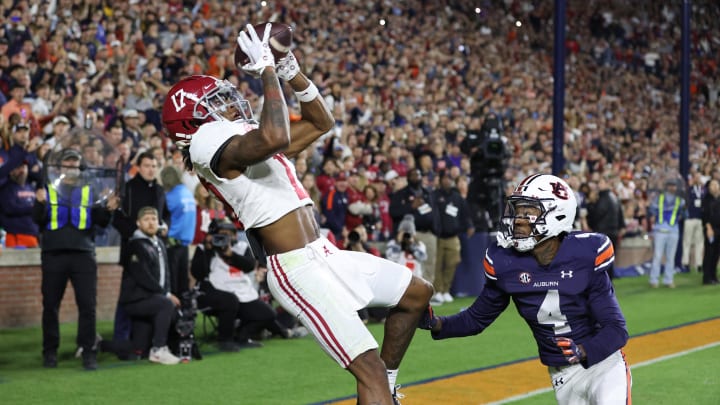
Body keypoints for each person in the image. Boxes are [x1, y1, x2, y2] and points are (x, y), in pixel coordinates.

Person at [161, 23, 433, 404]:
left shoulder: (239, 139)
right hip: (295, 269)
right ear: (192, 121)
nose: (227, 105)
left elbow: (322, 123)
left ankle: (386, 385)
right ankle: (379, 386)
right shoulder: (207, 145)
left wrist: (289, 69)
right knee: (366, 366)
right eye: (214, 103)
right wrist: (268, 71)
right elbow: (277, 137)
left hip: (324, 254)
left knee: (416, 293)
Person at [418, 174, 631, 405]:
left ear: (557, 214)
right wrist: (436, 323)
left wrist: (583, 349)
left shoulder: (586, 253)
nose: (518, 220)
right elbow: (476, 318)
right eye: (517, 212)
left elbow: (616, 329)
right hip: (562, 374)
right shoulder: (505, 261)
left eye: (528, 212)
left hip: (603, 364)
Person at [32, 148, 120, 370]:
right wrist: (39, 203)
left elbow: (100, 221)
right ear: (60, 167)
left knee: (88, 306)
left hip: (83, 254)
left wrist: (108, 209)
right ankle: (49, 352)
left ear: (80, 167)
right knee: (50, 305)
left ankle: (88, 351)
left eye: (74, 163)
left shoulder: (91, 190)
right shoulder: (48, 189)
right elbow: (37, 220)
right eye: (67, 163)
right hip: (54, 253)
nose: (70, 167)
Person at [191, 218, 301, 351]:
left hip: (240, 290)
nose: (224, 238)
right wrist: (208, 251)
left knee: (267, 313)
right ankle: (225, 340)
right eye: (220, 234)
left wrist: (231, 255)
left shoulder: (241, 247)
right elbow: (198, 274)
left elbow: (249, 266)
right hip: (213, 292)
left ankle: (242, 336)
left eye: (228, 234)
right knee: (230, 301)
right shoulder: (204, 249)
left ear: (235, 235)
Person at [111, 151, 171, 341]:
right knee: (129, 294)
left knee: (153, 292)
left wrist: (165, 225)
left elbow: (165, 214)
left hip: (156, 248)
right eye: (147, 166)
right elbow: (117, 219)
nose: (151, 169)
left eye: (154, 166)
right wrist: (136, 235)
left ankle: (146, 336)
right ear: (138, 167)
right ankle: (120, 336)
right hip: (133, 251)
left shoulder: (160, 190)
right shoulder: (128, 188)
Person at [118, 206, 181, 365]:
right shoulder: (134, 245)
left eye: (153, 219)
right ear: (138, 224)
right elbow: (142, 277)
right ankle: (159, 349)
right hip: (136, 300)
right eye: (146, 220)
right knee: (166, 305)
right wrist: (166, 294)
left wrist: (167, 291)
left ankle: (98, 344)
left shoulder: (158, 243)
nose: (151, 223)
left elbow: (165, 272)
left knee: (138, 348)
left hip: (151, 298)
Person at [389, 167, 440, 300]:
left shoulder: (427, 193)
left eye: (418, 174)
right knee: (412, 264)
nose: (415, 177)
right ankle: (408, 294)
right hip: (412, 235)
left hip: (428, 233)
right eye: (412, 175)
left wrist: (435, 229)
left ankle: (428, 294)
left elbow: (434, 212)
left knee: (429, 263)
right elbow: (393, 212)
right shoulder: (401, 194)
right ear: (408, 178)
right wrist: (411, 207)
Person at [431, 169, 474, 303]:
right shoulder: (434, 195)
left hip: (453, 236)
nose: (447, 180)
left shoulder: (457, 197)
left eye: (449, 178)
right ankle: (437, 291)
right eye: (444, 178)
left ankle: (446, 290)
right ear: (440, 180)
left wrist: (469, 225)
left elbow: (465, 213)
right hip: (437, 236)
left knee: (452, 264)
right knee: (437, 265)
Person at [160, 165, 196, 296]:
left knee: (172, 283)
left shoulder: (169, 196)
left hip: (171, 242)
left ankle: (174, 313)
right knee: (182, 283)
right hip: (184, 243)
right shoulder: (187, 192)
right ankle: (184, 312)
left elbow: (161, 216)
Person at [647, 179, 686, 288]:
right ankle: (654, 280)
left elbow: (684, 214)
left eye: (674, 186)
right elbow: (652, 210)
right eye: (670, 185)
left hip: (673, 230)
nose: (672, 188)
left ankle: (668, 280)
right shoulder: (659, 198)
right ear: (667, 186)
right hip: (660, 230)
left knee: (670, 257)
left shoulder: (680, 200)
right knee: (657, 256)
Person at [586, 177, 625, 279]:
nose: (599, 185)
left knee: (602, 262)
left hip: (602, 234)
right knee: (610, 261)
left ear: (607, 183)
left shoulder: (603, 199)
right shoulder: (615, 197)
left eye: (601, 182)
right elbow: (621, 216)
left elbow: (596, 216)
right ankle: (609, 284)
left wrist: (590, 205)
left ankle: (604, 285)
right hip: (613, 233)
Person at [683, 172, 705, 273]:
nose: (698, 179)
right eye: (696, 177)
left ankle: (699, 264)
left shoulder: (704, 190)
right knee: (687, 241)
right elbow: (685, 202)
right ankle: (685, 263)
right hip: (690, 218)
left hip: (700, 219)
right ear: (693, 178)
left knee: (699, 242)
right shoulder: (689, 190)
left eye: (699, 177)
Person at [700, 179, 720, 285]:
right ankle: (707, 277)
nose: (715, 186)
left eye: (716, 184)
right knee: (709, 253)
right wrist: (708, 228)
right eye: (712, 185)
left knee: (717, 253)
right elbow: (705, 216)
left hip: (719, 228)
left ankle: (714, 276)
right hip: (710, 229)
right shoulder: (706, 200)